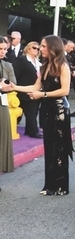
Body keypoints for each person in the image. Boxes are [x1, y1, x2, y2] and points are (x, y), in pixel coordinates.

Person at [2, 35, 74, 196]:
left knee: (59, 147)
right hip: (47, 109)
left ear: (53, 48)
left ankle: (61, 186)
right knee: (49, 146)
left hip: (59, 110)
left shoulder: (63, 66)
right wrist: (14, 87)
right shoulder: (44, 66)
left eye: (43, 46)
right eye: (40, 46)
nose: (40, 49)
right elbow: (35, 87)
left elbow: (64, 90)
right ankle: (50, 185)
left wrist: (42, 95)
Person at [13, 41, 43, 138]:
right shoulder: (21, 60)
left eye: (38, 49)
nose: (36, 50)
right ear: (28, 48)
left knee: (34, 112)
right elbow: (15, 74)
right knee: (30, 112)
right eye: (34, 48)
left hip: (36, 90)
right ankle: (33, 131)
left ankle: (29, 130)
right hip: (23, 90)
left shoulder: (38, 62)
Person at [0, 35, 16, 174]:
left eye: (5, 49)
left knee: (3, 136)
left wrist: (5, 86)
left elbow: (13, 84)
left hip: (2, 104)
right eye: (0, 49)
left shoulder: (7, 65)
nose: (3, 52)